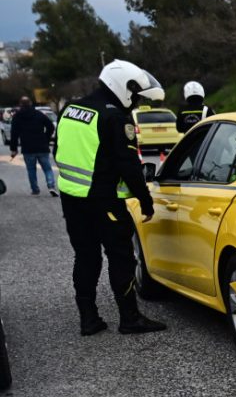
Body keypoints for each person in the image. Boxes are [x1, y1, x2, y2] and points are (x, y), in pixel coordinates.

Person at [54, 59, 167, 336]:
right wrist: (146, 200)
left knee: (86, 256)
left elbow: (59, 148)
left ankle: (88, 318)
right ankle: (130, 318)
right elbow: (128, 165)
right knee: (121, 257)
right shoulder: (114, 117)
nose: (137, 103)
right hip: (103, 200)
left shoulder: (71, 109)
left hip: (71, 197)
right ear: (124, 87)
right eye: (137, 97)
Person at [8, 96, 58, 196]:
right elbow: (50, 126)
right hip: (41, 145)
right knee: (47, 168)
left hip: (27, 147)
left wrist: (13, 149)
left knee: (31, 170)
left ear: (20, 104)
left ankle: (35, 189)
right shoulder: (38, 114)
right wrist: (46, 138)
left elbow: (14, 134)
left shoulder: (17, 116)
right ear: (31, 103)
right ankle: (51, 185)